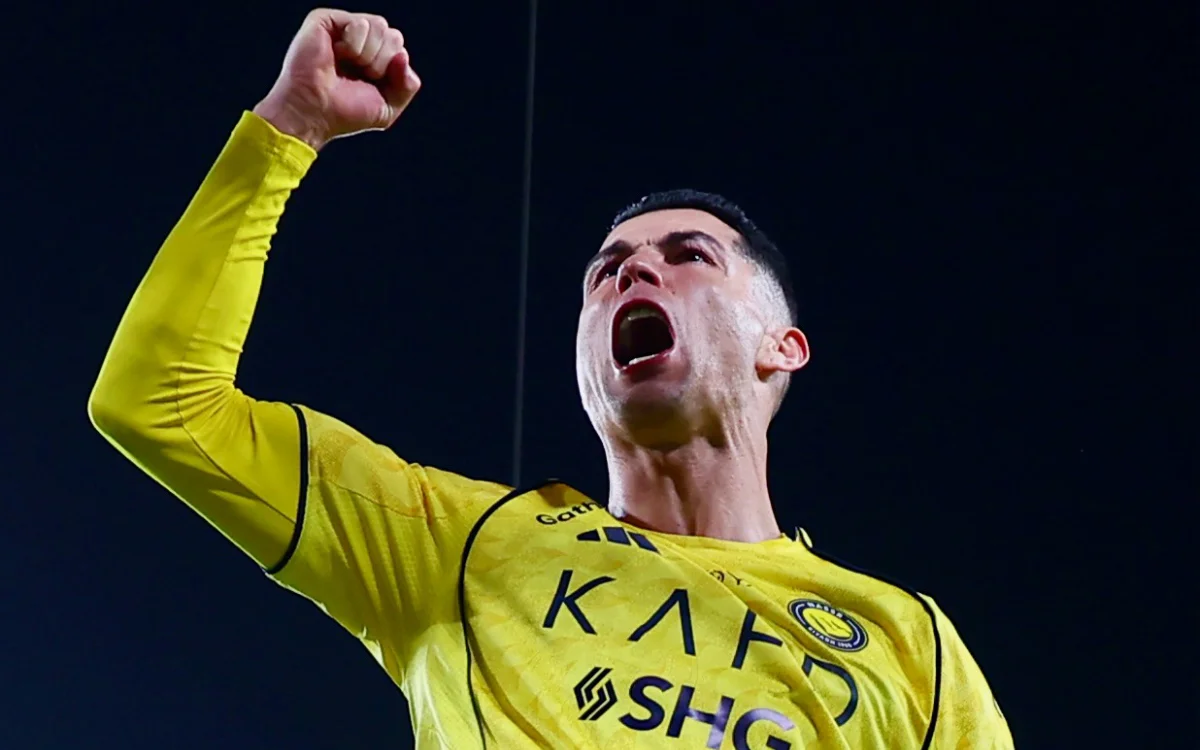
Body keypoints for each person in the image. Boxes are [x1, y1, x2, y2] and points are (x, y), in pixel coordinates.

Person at [88, 8, 1013, 749]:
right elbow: (157, 401)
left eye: (688, 256)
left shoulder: (907, 643)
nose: (632, 274)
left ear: (782, 346)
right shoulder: (457, 548)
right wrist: (287, 129)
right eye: (605, 272)